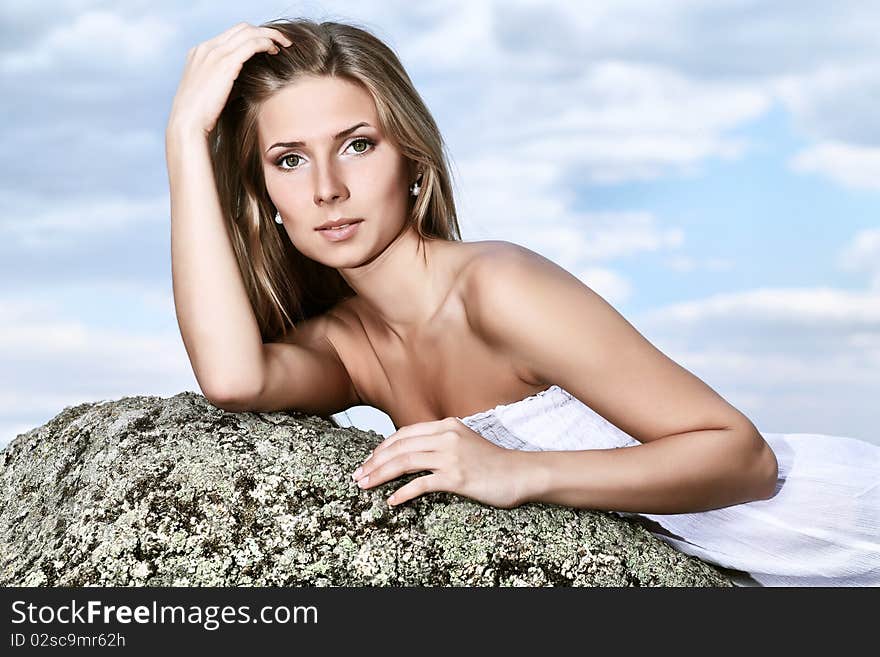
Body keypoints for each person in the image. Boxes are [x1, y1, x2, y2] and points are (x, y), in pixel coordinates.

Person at [166, 18, 880, 586]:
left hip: (832, 525)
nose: (326, 187)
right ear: (264, 196)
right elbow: (233, 379)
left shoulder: (494, 286)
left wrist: (516, 472)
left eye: (356, 145)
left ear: (412, 159)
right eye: (288, 159)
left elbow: (743, 458)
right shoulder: (347, 346)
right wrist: (184, 142)